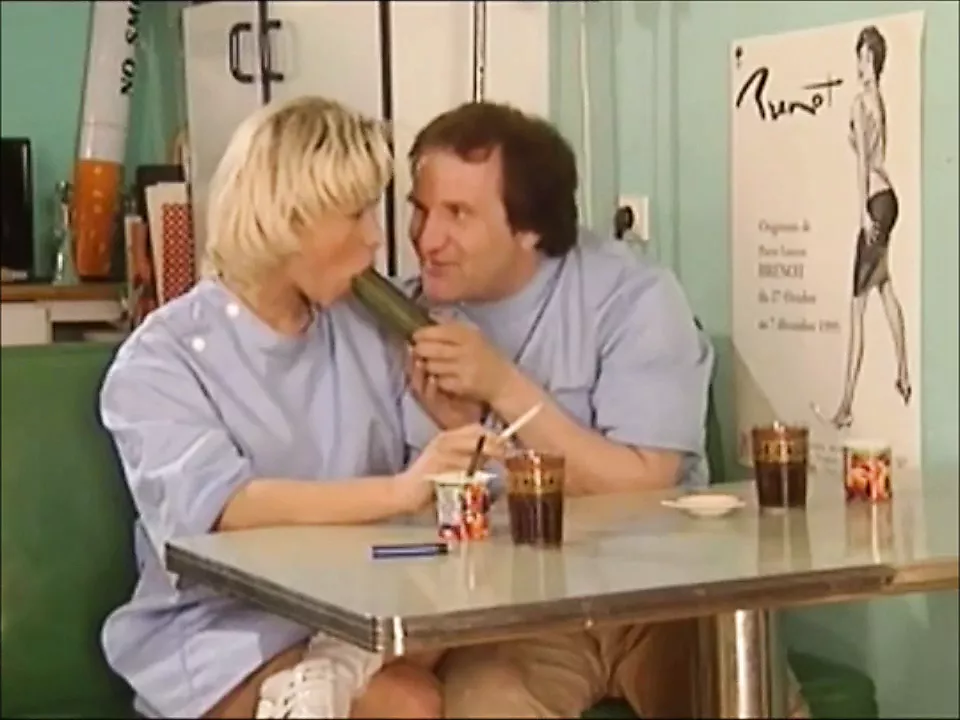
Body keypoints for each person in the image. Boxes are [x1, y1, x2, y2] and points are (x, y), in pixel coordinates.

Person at [98, 96, 504, 719]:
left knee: (463, 626)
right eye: (356, 214)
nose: (376, 238)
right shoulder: (160, 360)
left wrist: (457, 426)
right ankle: (328, 671)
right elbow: (223, 509)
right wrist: (399, 492)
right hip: (227, 629)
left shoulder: (371, 329)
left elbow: (442, 509)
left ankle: (333, 668)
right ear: (289, 220)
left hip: (361, 605)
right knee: (408, 703)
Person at [398, 101, 715, 718]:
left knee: (736, 684)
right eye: (421, 209)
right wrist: (467, 433)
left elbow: (646, 485)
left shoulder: (633, 297)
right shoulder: (403, 314)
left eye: (458, 214)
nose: (426, 239)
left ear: (530, 228)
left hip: (656, 597)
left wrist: (502, 384)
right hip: (512, 614)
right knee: (483, 705)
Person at [824, 25, 912, 429]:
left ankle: (846, 405)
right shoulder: (879, 102)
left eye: (866, 57)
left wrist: (862, 211)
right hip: (889, 199)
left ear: (876, 61)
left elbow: (863, 162)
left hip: (875, 203)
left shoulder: (861, 104)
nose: (861, 65)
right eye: (859, 56)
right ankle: (903, 373)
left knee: (857, 306)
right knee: (885, 287)